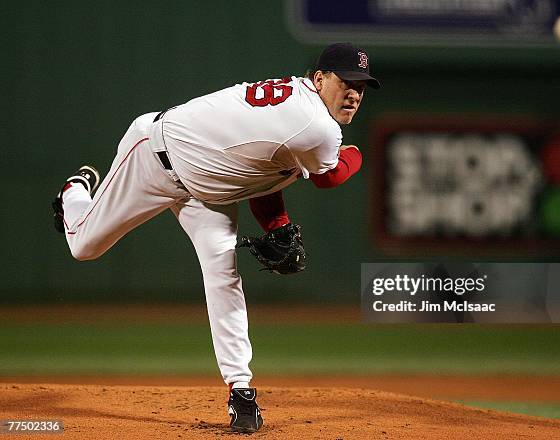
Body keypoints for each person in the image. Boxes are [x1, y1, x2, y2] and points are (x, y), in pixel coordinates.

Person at [51, 42, 380, 433]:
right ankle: (74, 191)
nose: (355, 94)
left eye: (362, 86)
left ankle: (241, 392)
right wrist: (360, 154)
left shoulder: (296, 112)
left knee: (224, 275)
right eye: (348, 82)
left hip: (209, 195)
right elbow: (331, 176)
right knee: (82, 246)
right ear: (320, 78)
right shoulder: (318, 127)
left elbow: (262, 173)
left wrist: (277, 225)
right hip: (154, 157)